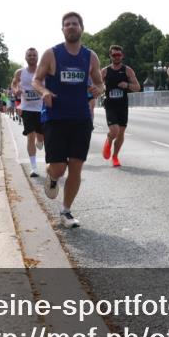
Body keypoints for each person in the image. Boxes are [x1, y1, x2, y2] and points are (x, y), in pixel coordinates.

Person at [32, 12, 104, 228]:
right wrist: (44, 92)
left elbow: (100, 83)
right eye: (67, 24)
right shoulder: (51, 54)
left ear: (81, 27)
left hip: (81, 117)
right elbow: (36, 80)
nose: (71, 27)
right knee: (59, 168)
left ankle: (66, 211)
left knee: (76, 166)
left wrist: (97, 89)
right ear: (62, 29)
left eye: (75, 24)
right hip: (55, 117)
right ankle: (51, 176)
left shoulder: (90, 57)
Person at [101, 45, 141, 167]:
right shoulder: (105, 71)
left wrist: (127, 85)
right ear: (110, 56)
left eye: (118, 55)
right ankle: (108, 140)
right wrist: (102, 88)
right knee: (114, 130)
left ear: (122, 56)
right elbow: (97, 84)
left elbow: (137, 87)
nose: (116, 57)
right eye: (114, 55)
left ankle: (115, 157)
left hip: (122, 105)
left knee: (121, 133)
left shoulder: (127, 70)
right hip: (110, 104)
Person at [11, 48, 46, 177]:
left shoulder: (43, 72)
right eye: (29, 55)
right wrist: (15, 91)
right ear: (26, 58)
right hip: (27, 108)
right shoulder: (20, 73)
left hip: (41, 108)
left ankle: (40, 140)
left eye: (34, 55)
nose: (32, 57)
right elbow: (14, 84)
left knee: (41, 138)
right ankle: (34, 167)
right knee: (30, 136)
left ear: (38, 57)